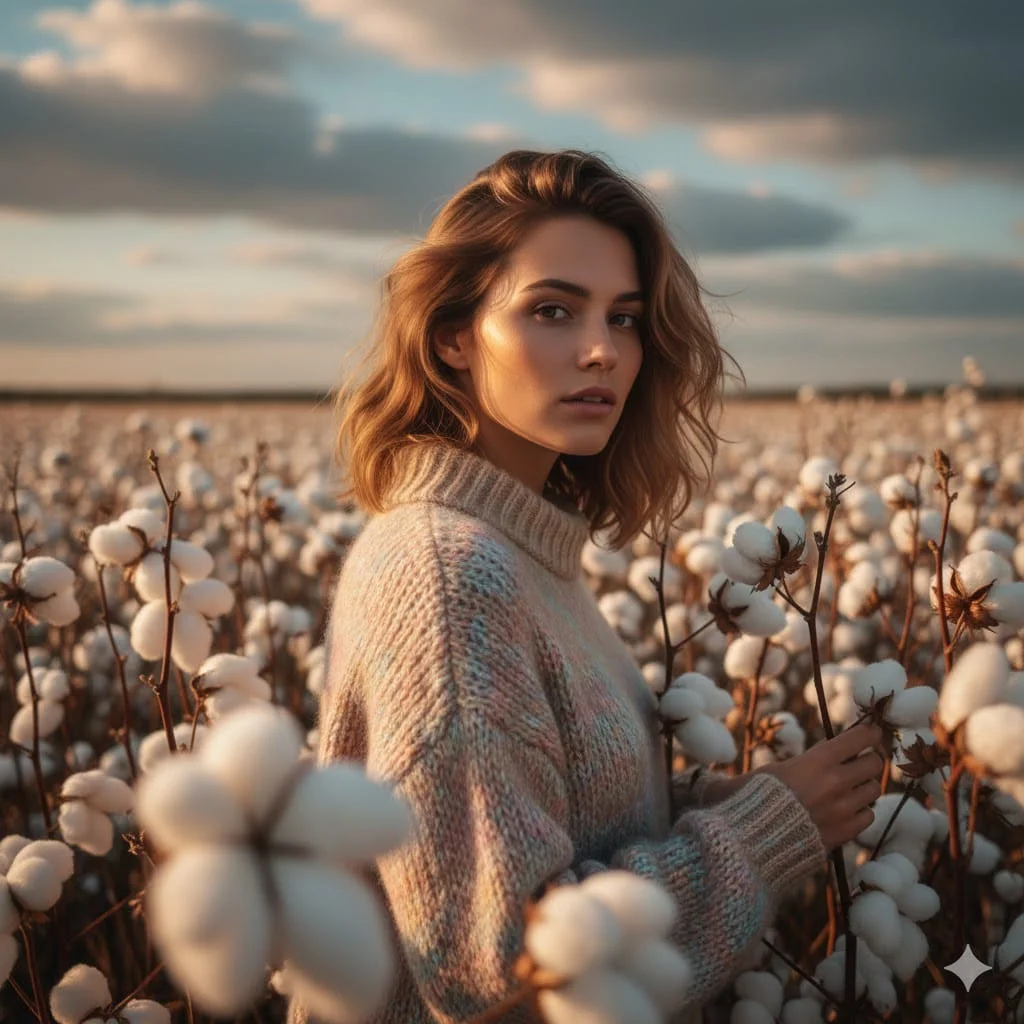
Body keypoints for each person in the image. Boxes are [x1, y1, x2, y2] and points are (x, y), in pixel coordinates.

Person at [288, 149, 885, 1024]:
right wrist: (766, 831)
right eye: (553, 310)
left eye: (626, 318)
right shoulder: (451, 574)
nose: (602, 349)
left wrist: (723, 807)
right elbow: (505, 978)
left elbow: (544, 837)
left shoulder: (522, 553)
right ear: (453, 335)